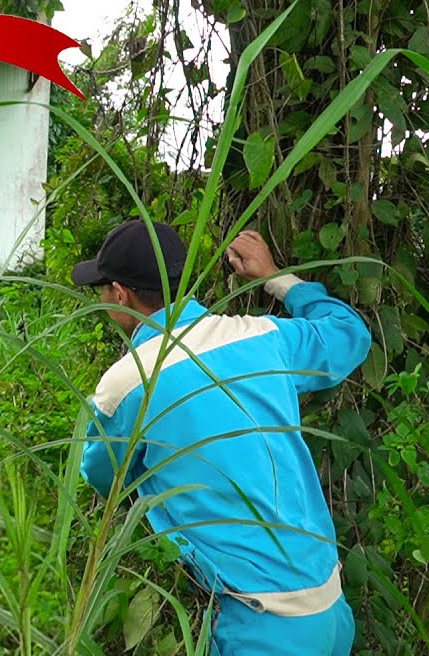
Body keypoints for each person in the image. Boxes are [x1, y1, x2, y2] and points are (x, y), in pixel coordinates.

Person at [71, 220, 371, 656]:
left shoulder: (127, 385)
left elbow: (105, 478)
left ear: (120, 295)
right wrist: (276, 279)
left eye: (101, 290)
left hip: (259, 625)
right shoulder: (262, 337)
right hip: (329, 608)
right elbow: (348, 333)